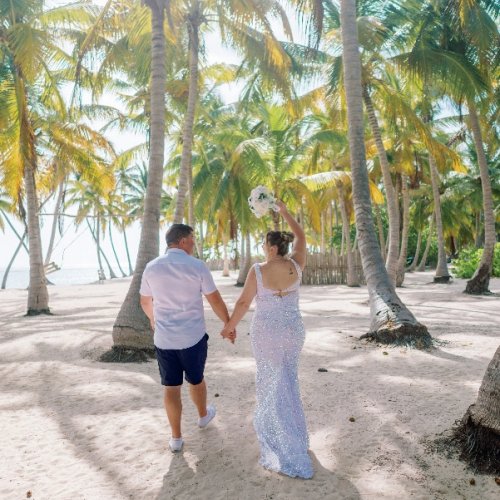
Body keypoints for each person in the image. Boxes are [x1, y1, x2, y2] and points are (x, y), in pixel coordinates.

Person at [221, 201, 313, 479]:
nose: (263, 248)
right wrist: (285, 212)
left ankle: (281, 437)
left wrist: (229, 328)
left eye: (265, 245)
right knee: (288, 377)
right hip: (293, 330)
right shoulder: (297, 265)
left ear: (272, 247)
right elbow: (302, 236)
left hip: (268, 332)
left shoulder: (258, 270)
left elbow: (243, 302)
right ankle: (294, 433)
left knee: (271, 379)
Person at [140, 224, 236, 453]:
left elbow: (145, 301)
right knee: (196, 380)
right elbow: (214, 299)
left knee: (171, 388)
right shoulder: (197, 266)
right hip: (193, 337)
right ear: (182, 241)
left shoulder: (151, 267)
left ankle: (176, 439)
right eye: (192, 239)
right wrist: (228, 324)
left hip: (164, 339)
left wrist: (154, 320)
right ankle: (203, 416)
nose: (194, 243)